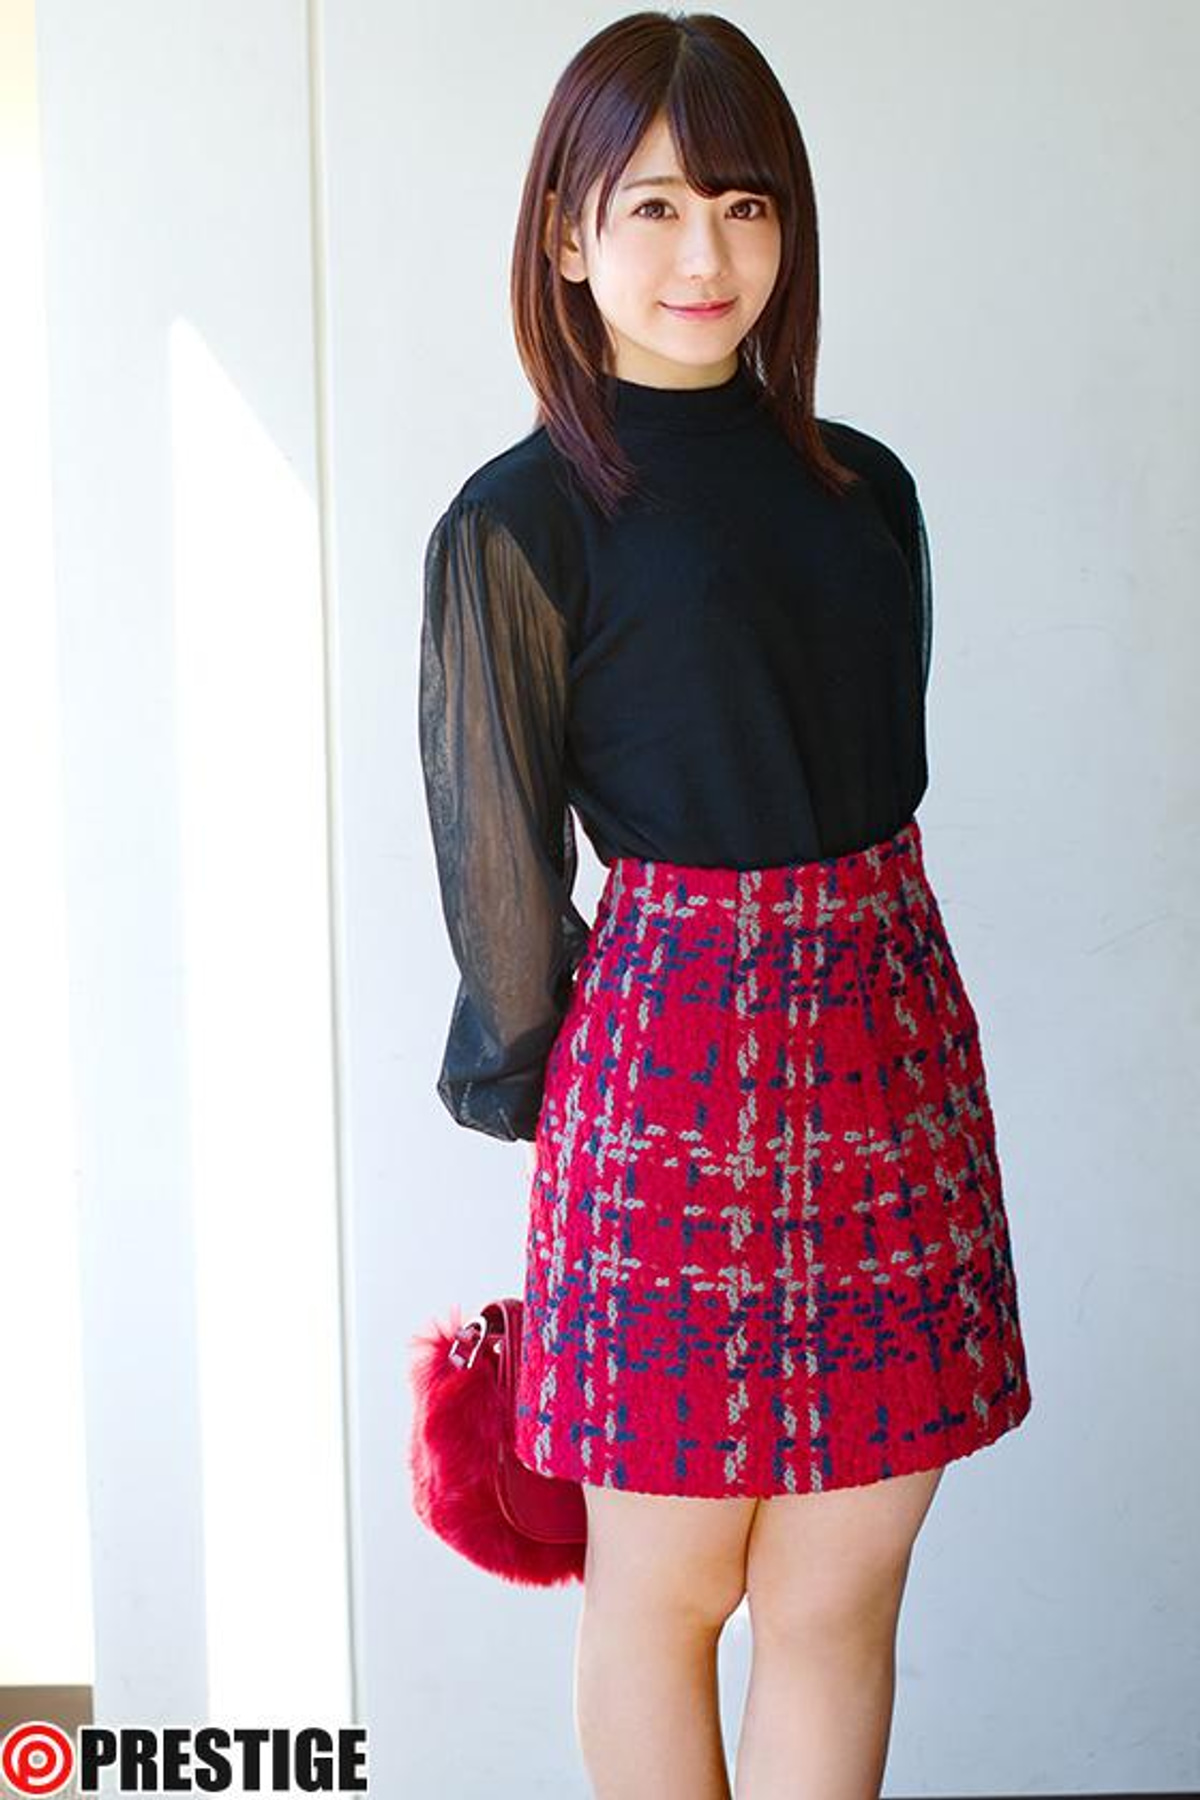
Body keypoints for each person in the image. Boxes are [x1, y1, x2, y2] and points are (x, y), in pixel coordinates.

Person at [418, 12, 1033, 1796]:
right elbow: (499, 873)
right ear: (567, 235)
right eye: (658, 207)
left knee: (841, 1594)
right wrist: (540, 1093)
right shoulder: (518, 524)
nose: (708, 255)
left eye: (747, 207)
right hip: (665, 1074)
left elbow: (882, 768)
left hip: (891, 1051)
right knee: (664, 1594)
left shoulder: (870, 490)